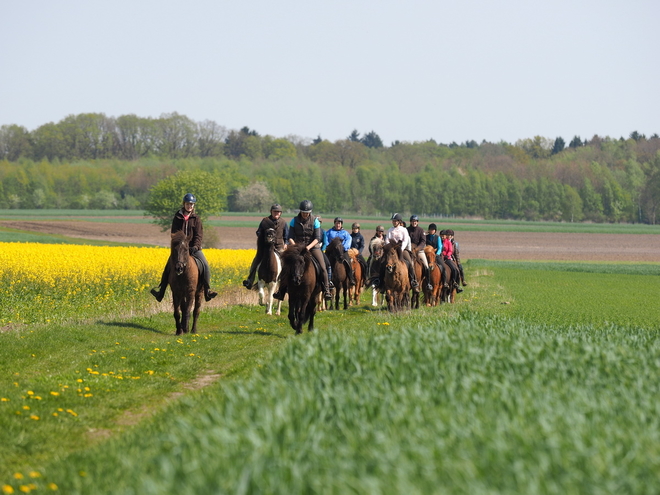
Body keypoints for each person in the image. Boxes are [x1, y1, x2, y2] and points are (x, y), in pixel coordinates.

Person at [150, 193, 218, 302]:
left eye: (191, 204)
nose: (189, 206)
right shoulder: (177, 217)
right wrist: (179, 246)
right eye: (187, 204)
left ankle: (207, 291)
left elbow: (198, 235)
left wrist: (195, 246)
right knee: (168, 267)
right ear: (184, 204)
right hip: (180, 249)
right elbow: (174, 233)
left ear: (193, 205)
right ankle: (160, 292)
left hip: (193, 249)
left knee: (205, 265)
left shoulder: (196, 219)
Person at [273, 200, 333, 301]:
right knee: (286, 265)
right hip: (297, 247)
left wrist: (308, 247)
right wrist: (295, 246)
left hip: (313, 247)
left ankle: (326, 289)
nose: (305, 214)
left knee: (323, 266)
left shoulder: (315, 221)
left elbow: (317, 238)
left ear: (310, 212)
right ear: (300, 211)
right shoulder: (294, 221)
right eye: (303, 212)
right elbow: (290, 237)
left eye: (307, 213)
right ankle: (281, 291)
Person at [242, 203, 288, 290]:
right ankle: (250, 280)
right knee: (256, 260)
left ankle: (284, 285)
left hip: (278, 246)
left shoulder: (283, 223)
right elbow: (258, 232)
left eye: (278, 212)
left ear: (281, 213)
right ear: (271, 212)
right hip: (266, 247)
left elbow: (287, 236)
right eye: (275, 212)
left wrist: (286, 244)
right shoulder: (265, 221)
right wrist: (262, 237)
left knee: (286, 264)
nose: (276, 213)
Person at [379, 213, 419, 291]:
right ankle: (381, 282)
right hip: (391, 250)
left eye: (395, 221)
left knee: (410, 263)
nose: (393, 222)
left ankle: (413, 281)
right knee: (383, 262)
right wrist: (390, 248)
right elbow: (387, 240)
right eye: (393, 221)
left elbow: (405, 240)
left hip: (401, 249)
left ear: (399, 221)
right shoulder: (390, 230)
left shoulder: (404, 230)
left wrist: (401, 249)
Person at [325, 217, 356, 286]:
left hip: (342, 251)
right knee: (324, 261)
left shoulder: (345, 233)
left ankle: (351, 278)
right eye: (336, 223)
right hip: (331, 251)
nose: (338, 225)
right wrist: (328, 246)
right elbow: (326, 239)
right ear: (334, 223)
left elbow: (348, 240)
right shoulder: (329, 232)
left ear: (341, 224)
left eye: (339, 223)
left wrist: (344, 248)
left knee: (347, 261)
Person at [407, 215, 433, 291]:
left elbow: (423, 241)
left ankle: (428, 283)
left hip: (419, 250)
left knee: (426, 265)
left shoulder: (421, 230)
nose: (414, 222)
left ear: (417, 222)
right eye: (413, 221)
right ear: (411, 222)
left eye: (415, 221)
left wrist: (417, 248)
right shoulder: (407, 230)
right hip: (409, 250)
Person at [426, 223, 449, 288]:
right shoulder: (426, 237)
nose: (432, 231)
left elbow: (440, 247)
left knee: (443, 267)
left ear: (435, 231)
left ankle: (444, 282)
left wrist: (437, 254)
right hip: (427, 256)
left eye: (433, 230)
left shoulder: (437, 238)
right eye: (430, 229)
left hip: (436, 255)